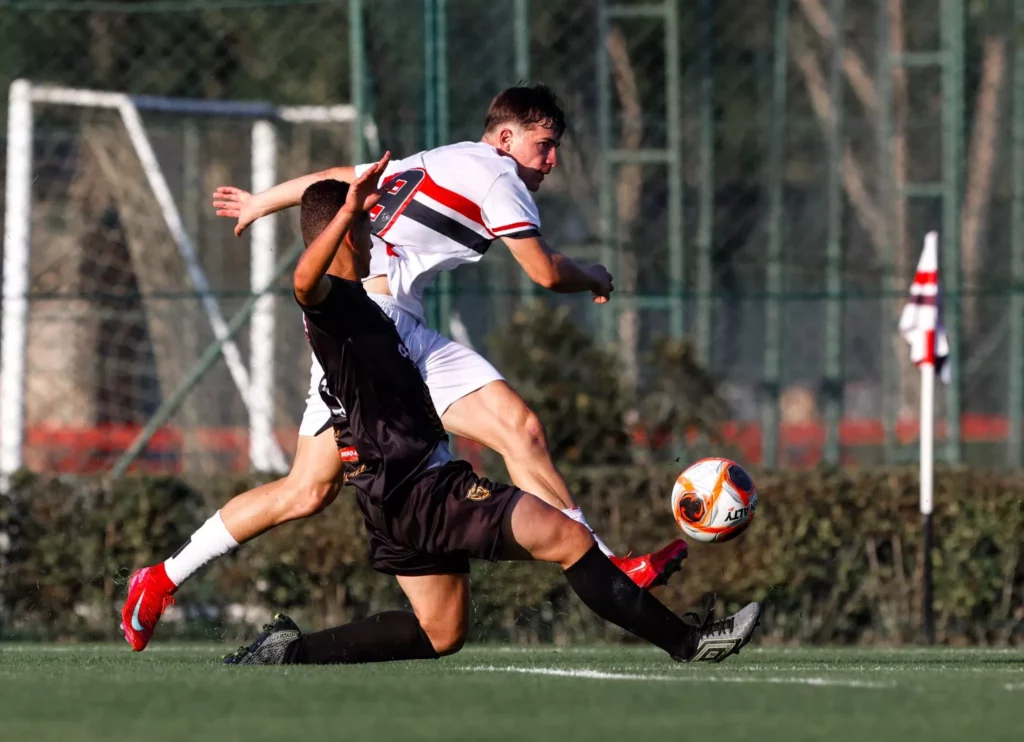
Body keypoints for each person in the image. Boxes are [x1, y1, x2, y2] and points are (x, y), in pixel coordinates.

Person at [120, 83, 684, 653]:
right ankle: (611, 563)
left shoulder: (447, 158)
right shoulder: (497, 176)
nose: (552, 160)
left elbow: (345, 175)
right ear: (507, 137)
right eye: (545, 144)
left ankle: (161, 578)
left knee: (306, 491)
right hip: (382, 328)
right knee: (518, 430)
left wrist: (263, 200)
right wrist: (591, 274)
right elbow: (542, 271)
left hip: (367, 324)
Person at [221, 168, 760, 666]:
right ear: (343, 235)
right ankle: (690, 643)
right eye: (366, 230)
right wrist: (345, 213)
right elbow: (301, 280)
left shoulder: (361, 303)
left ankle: (287, 655)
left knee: (440, 632)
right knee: (570, 539)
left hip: (393, 496)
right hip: (421, 491)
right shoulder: (331, 304)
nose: (373, 241)